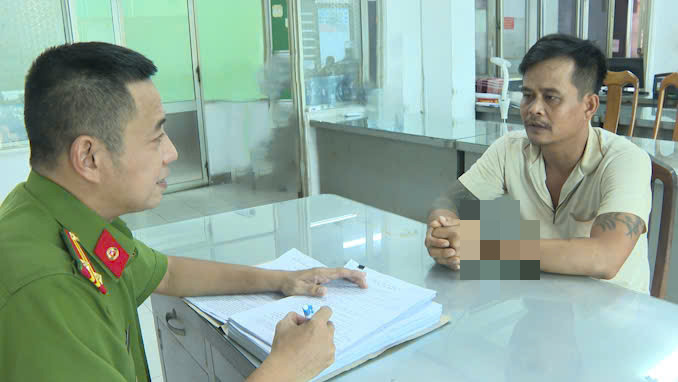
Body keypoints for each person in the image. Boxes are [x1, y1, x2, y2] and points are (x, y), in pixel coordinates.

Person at [0, 42, 367, 382]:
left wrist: (283, 279)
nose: (171, 152)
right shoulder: (45, 291)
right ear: (89, 157)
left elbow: (167, 273)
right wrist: (288, 368)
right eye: (157, 137)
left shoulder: (59, 214)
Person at [425, 34, 652, 293]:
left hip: (613, 315)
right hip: (536, 301)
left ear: (589, 105)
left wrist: (483, 245)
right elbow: (448, 202)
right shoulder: (509, 149)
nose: (534, 109)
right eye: (528, 95)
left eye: (551, 97)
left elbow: (604, 258)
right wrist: (443, 236)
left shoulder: (625, 159)